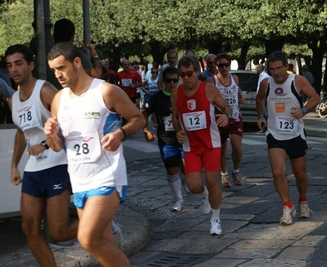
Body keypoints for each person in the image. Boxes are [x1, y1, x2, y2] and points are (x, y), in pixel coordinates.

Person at [44, 42, 145, 266]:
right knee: (102, 244)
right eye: (53, 70)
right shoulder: (59, 100)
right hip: (79, 181)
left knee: (87, 238)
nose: (58, 75)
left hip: (106, 176)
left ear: (77, 62)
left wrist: (121, 133)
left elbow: (138, 119)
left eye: (61, 68)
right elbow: (58, 146)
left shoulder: (105, 91)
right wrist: (51, 136)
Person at [5, 44, 78, 266]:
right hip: (34, 169)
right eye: (9, 65)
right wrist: (14, 165)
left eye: (18, 63)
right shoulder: (13, 99)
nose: (14, 69)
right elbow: (21, 131)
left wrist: (46, 144)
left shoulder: (45, 90)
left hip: (57, 165)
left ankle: (99, 225)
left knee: (58, 231)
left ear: (31, 65)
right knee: (28, 227)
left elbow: (69, 122)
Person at [256, 51, 320, 225]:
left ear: (286, 67)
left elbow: (315, 97)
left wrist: (304, 110)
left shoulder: (297, 81)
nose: (276, 73)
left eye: (279, 68)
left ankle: (303, 200)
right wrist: (261, 115)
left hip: (296, 134)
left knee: (300, 174)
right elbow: (259, 98)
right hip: (275, 134)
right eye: (272, 69)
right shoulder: (265, 83)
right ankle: (287, 205)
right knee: (278, 172)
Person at [171, 55, 232, 235]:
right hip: (191, 147)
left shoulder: (209, 89)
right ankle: (204, 195)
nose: (186, 78)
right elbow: (175, 117)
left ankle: (215, 220)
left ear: (197, 72)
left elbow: (226, 107)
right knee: (194, 187)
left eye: (190, 73)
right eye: (183, 75)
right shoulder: (176, 93)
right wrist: (177, 131)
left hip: (211, 144)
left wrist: (226, 115)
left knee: (213, 182)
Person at [142, 66, 211, 213]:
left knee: (189, 173)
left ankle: (205, 195)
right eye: (169, 81)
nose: (172, 83)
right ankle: (178, 200)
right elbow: (144, 113)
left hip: (185, 139)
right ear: (163, 81)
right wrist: (146, 129)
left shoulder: (186, 95)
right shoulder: (156, 98)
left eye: (175, 80)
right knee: (171, 168)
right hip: (166, 139)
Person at [206, 53, 245, 188]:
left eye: (226, 65)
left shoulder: (235, 78)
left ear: (230, 65)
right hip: (219, 119)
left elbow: (237, 90)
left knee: (236, 146)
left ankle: (236, 170)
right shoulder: (212, 81)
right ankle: (224, 174)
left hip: (234, 117)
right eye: (220, 65)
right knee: (222, 150)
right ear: (216, 66)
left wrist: (241, 96)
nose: (224, 68)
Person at [33, 18, 102, 89]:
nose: (57, 75)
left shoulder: (39, 57)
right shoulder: (78, 54)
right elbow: (96, 76)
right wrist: (95, 56)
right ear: (72, 38)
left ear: (53, 36)